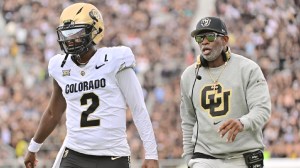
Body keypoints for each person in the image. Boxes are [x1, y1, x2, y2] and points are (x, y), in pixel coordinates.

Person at [24, 3, 159, 168]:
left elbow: (138, 108)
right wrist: (33, 147)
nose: (70, 39)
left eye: (77, 33)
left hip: (113, 156)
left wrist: (151, 154)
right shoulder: (61, 66)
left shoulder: (115, 60)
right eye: (67, 34)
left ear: (95, 31)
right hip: (74, 154)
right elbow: (53, 113)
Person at [180, 16, 271, 168]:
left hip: (242, 156)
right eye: (200, 37)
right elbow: (188, 121)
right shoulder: (189, 76)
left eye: (210, 36)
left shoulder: (248, 69)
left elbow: (262, 110)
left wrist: (243, 122)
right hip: (205, 157)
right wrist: (189, 158)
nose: (204, 41)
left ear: (225, 40)